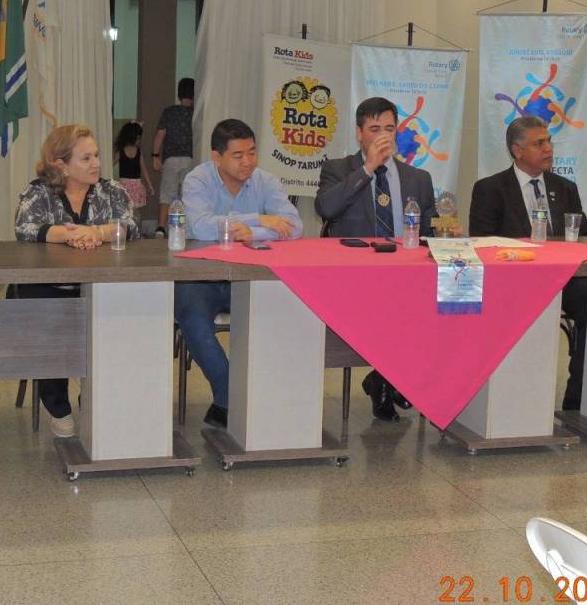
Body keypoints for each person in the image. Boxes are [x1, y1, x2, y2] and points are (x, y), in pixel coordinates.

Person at [176, 118, 303, 429]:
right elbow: (201, 227)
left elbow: (295, 226)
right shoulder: (197, 180)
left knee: (287, 310)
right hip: (202, 278)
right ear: (217, 157)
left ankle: (246, 401)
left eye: (252, 152)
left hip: (251, 276)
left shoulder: (266, 181)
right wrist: (258, 219)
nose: (248, 162)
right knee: (192, 317)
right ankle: (232, 396)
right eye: (238, 155)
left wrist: (252, 233)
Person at [315, 97, 436, 421]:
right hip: (355, 276)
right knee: (396, 306)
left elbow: (430, 231)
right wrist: (368, 168)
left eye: (389, 128)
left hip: (407, 274)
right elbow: (326, 208)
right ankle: (391, 379)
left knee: (445, 303)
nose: (383, 135)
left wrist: (447, 231)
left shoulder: (418, 178)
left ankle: (384, 378)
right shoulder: (338, 169)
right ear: (359, 133)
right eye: (374, 129)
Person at [15, 124, 137, 437]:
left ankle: (95, 395)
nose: (96, 163)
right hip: (48, 288)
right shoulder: (38, 191)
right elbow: (25, 228)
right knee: (48, 326)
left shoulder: (112, 191)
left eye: (96, 155)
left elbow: (129, 226)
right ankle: (58, 406)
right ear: (62, 165)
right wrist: (68, 234)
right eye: (86, 158)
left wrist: (96, 232)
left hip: (100, 287)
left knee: (119, 319)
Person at [469, 114, 587, 411]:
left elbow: (584, 238)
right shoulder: (490, 189)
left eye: (549, 141)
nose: (548, 148)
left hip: (563, 281)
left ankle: (578, 395)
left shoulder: (565, 188)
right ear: (518, 150)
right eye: (539, 143)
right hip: (513, 283)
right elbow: (482, 242)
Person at [152, 77, 195, 236]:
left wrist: (155, 155)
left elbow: (160, 134)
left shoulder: (169, 112)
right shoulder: (196, 114)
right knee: (188, 194)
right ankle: (186, 228)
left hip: (170, 158)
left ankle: (161, 228)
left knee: (167, 194)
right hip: (190, 158)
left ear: (179, 93)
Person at [113, 121, 153, 229]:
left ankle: (136, 230)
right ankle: (128, 231)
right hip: (126, 186)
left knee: (135, 212)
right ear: (132, 137)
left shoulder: (136, 151)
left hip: (133, 185)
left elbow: (144, 169)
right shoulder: (122, 151)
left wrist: (150, 185)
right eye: (138, 138)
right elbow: (111, 164)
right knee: (128, 212)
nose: (139, 141)